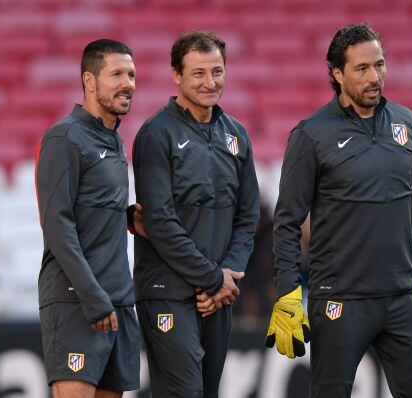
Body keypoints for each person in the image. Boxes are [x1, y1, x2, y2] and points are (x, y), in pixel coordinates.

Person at [267, 23, 412, 398]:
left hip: (402, 296)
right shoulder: (311, 135)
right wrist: (287, 291)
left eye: (379, 65)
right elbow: (287, 221)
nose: (374, 77)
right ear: (337, 73)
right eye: (361, 69)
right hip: (339, 299)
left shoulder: (407, 124)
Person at [131, 31, 259, 397]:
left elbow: (248, 215)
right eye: (198, 73)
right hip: (167, 291)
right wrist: (213, 278)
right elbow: (159, 220)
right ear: (177, 75)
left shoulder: (237, 135)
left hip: (218, 293)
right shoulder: (156, 135)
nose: (210, 82)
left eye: (217, 71)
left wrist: (228, 273)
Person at [35, 39, 140, 398]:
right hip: (77, 298)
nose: (127, 83)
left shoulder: (114, 140)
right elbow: (57, 224)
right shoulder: (64, 137)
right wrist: (91, 295)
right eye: (116, 74)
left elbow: (90, 209)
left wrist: (128, 217)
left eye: (131, 74)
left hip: (117, 300)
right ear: (90, 81)